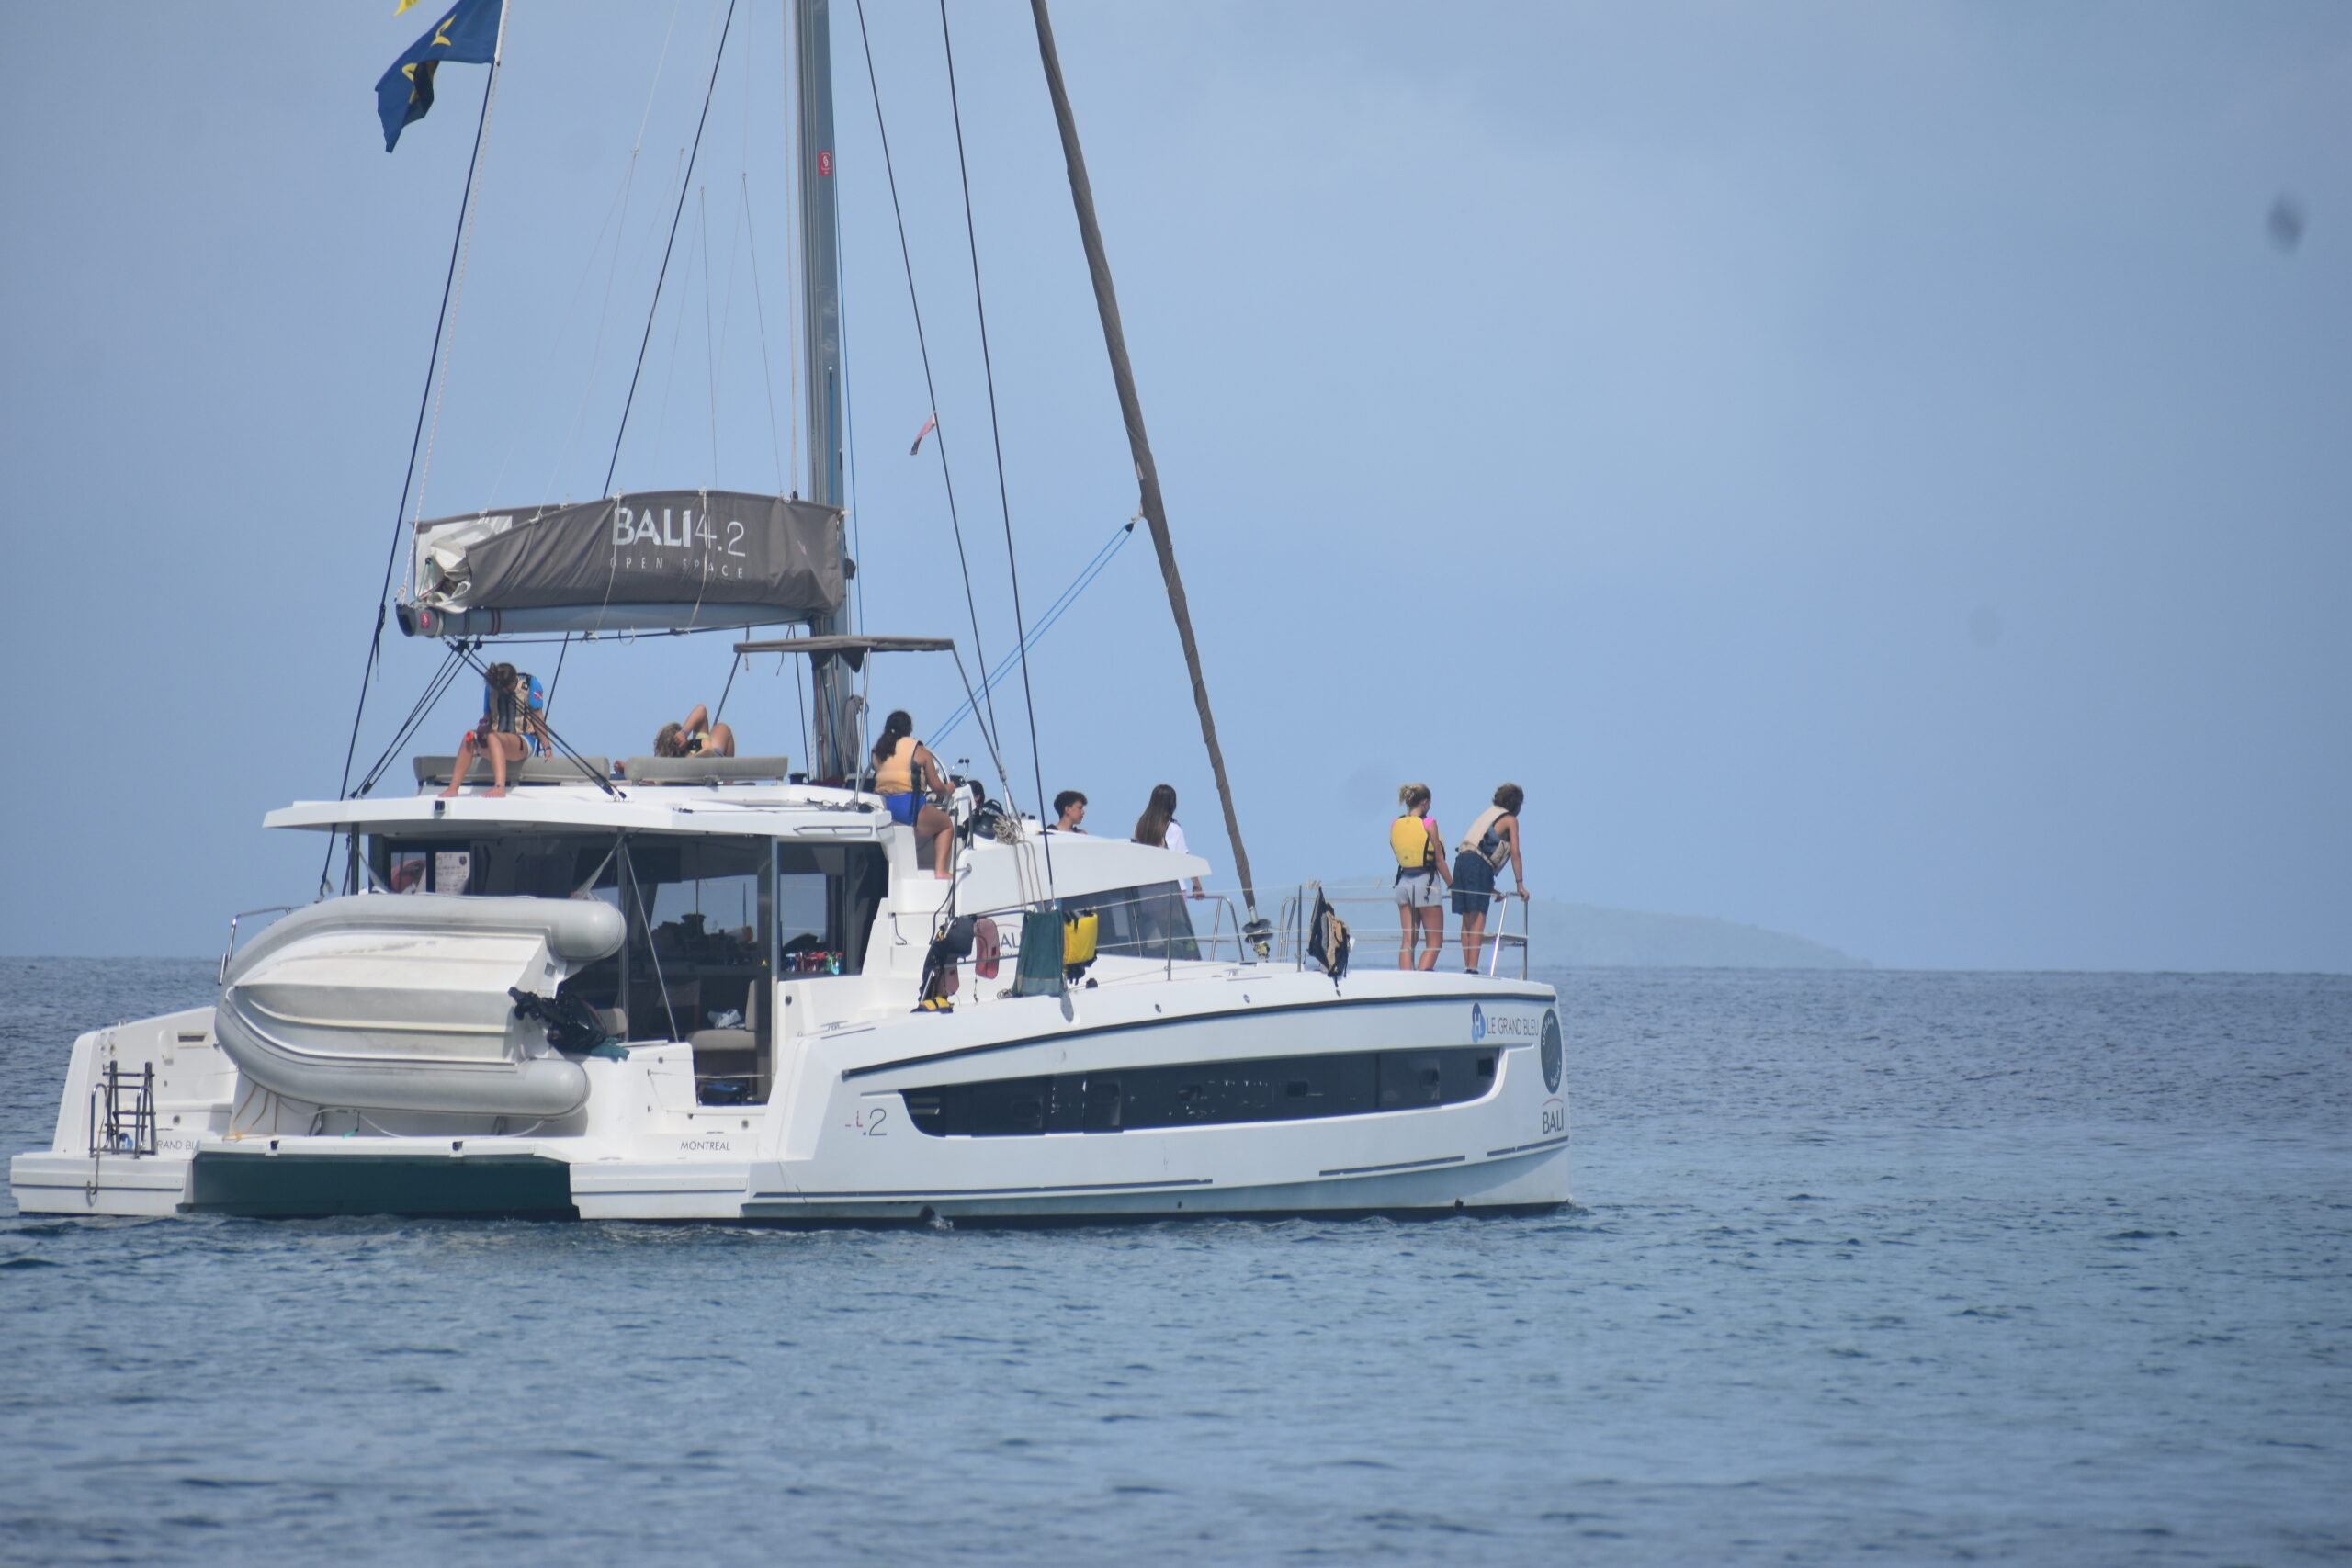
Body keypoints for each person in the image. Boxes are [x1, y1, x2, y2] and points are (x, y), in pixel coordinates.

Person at [440, 661, 545, 799]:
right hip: (495, 740)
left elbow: (538, 718)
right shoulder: (491, 688)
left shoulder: (530, 684)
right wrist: (482, 728)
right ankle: (453, 788)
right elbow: (487, 716)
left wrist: (547, 747)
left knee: (493, 738)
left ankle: (499, 787)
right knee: (469, 736)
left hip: (523, 741)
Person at [870, 710, 955, 878]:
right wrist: (949, 788)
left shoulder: (877, 751)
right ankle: (941, 871)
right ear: (909, 729)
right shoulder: (919, 750)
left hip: (884, 811)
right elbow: (937, 787)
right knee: (946, 825)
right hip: (909, 810)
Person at [1453, 784, 1527, 973]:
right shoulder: (1510, 820)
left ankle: (1468, 966)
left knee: (1467, 918)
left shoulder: (1489, 814)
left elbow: (1477, 849)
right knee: (1478, 917)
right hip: (1477, 865)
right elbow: (1515, 853)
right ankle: (1472, 968)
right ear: (1516, 804)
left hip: (1461, 862)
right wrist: (1520, 885)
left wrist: (1490, 889)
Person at [1390, 783, 1453, 971]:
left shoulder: (1395, 824)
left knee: (1408, 940)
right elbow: (1439, 860)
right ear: (1425, 802)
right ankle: (1422, 977)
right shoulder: (1429, 823)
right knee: (1435, 941)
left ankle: (1405, 980)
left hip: (1403, 884)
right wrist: (1453, 885)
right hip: (1426, 884)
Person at [1134, 783, 1206, 899]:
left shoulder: (1140, 825)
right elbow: (1185, 861)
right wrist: (1198, 887)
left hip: (1146, 890)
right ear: (1172, 804)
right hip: (1172, 889)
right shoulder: (1173, 828)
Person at [653, 704, 736, 759]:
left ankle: (728, 778)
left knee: (721, 727)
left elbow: (701, 710)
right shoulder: (668, 766)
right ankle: (728, 779)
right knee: (722, 728)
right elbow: (708, 752)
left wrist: (684, 733)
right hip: (708, 766)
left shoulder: (695, 745)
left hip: (706, 757)